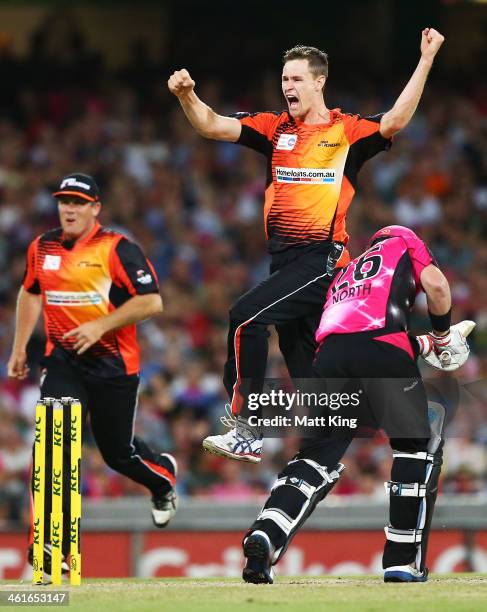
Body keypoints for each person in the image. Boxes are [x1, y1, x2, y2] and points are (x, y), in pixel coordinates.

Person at [168, 28, 445, 462]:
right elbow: (210, 124)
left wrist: (426, 59)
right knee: (321, 385)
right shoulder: (274, 129)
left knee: (245, 319)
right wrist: (187, 95)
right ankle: (418, 374)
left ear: (319, 82)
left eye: (296, 80)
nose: (287, 87)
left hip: (323, 260)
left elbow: (395, 121)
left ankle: (246, 428)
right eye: (284, 80)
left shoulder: (347, 132)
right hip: (285, 266)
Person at [241, 225, 472, 584]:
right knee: (416, 447)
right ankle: (402, 561)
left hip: (331, 356)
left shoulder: (344, 273)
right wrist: (443, 334)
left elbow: (357, 335)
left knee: (315, 458)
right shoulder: (404, 243)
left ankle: (267, 534)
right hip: (382, 346)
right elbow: (438, 288)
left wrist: (427, 344)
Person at [7, 173, 178, 576]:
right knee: (53, 447)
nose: (69, 209)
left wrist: (101, 326)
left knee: (117, 454)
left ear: (95, 208)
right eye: (64, 201)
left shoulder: (117, 249)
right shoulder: (42, 247)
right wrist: (18, 348)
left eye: (78, 202)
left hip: (113, 367)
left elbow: (152, 302)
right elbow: (31, 291)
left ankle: (162, 479)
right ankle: (52, 550)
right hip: (63, 364)